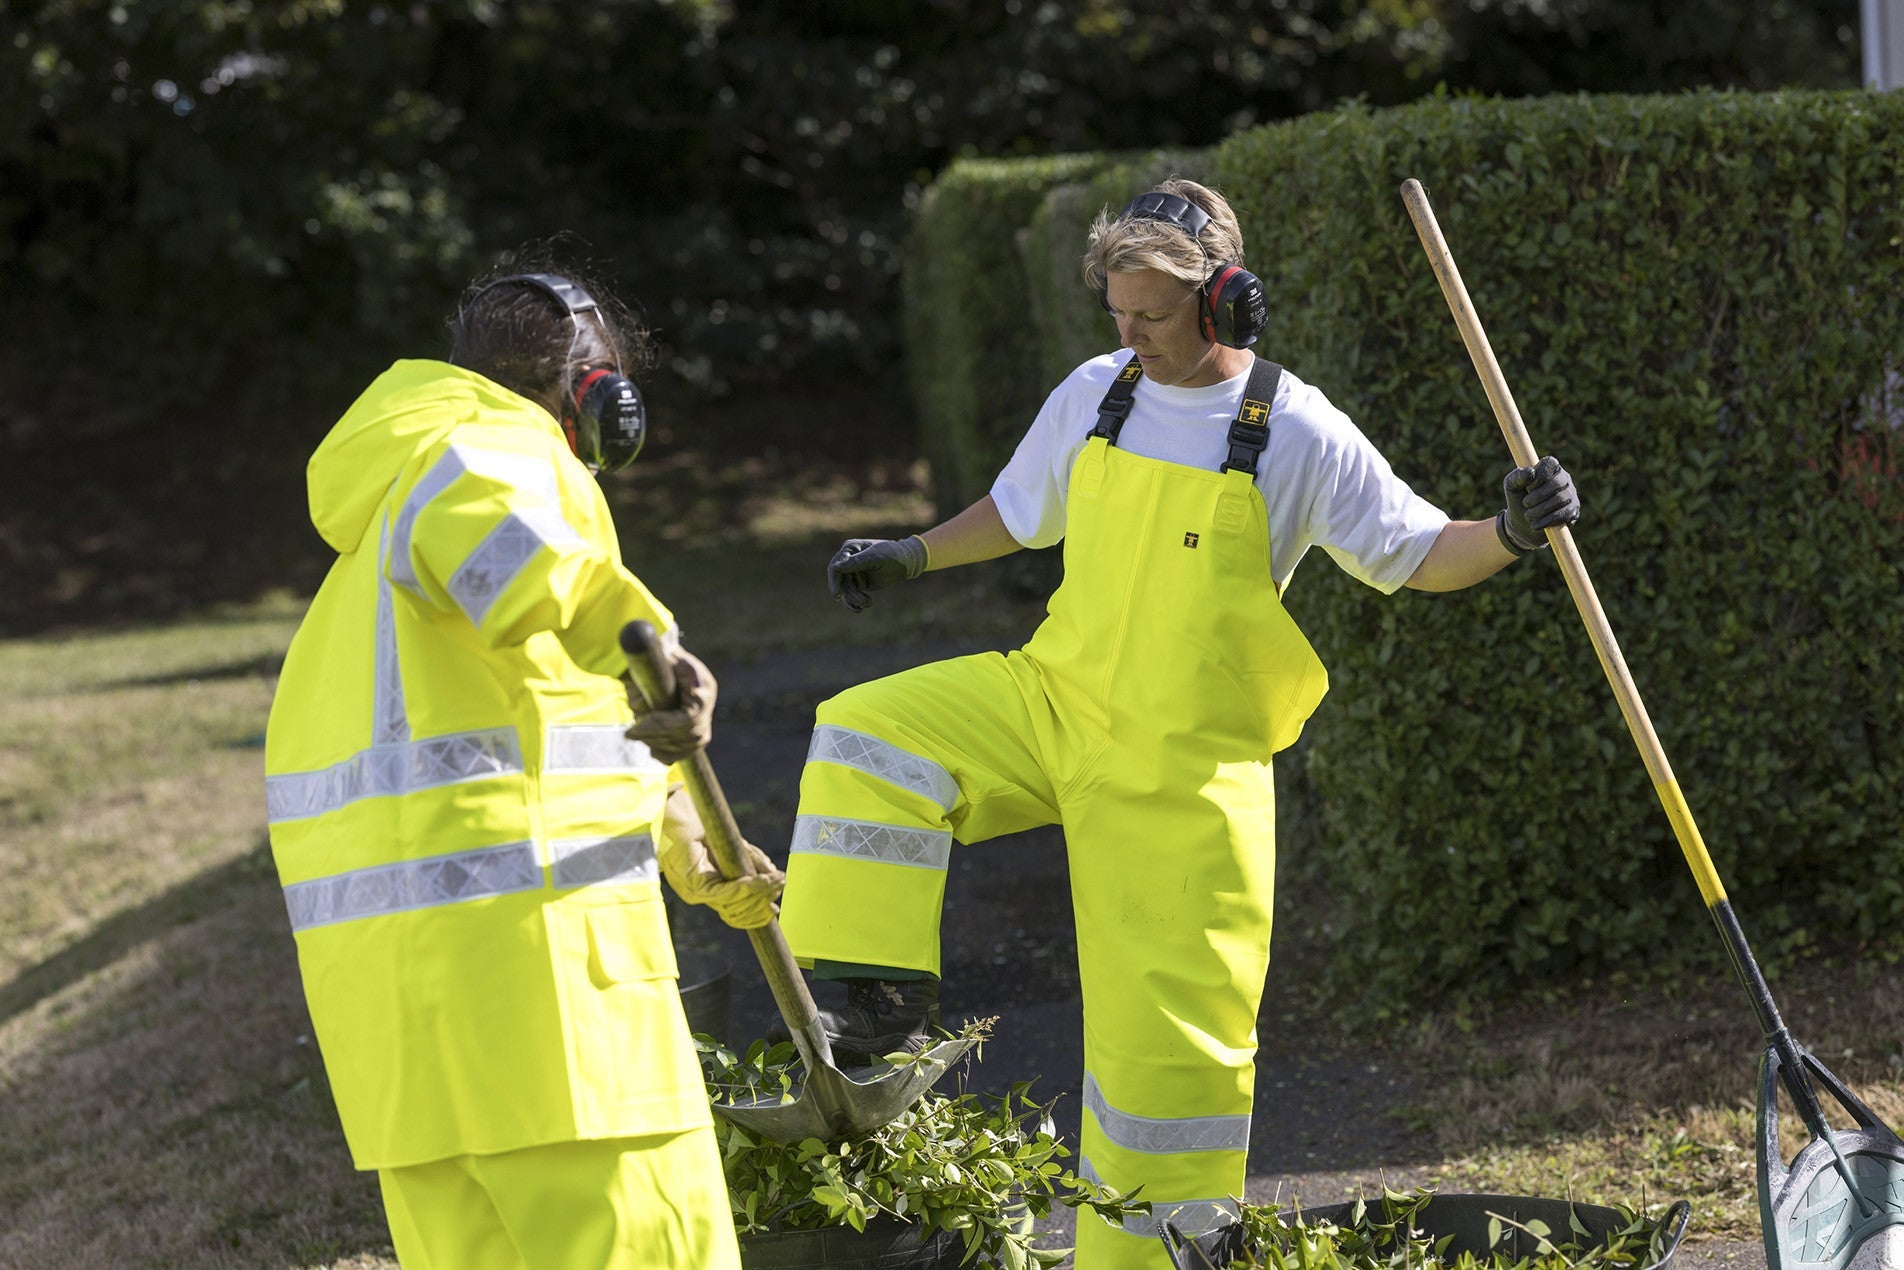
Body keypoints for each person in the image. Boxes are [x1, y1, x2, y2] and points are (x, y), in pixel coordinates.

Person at [776, 180, 1580, 1268]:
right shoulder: (1096, 391)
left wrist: (1512, 532)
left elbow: (1420, 554)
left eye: (1150, 315)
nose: (1130, 336)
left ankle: (1151, 1259)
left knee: (1167, 1079)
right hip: (1049, 701)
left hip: (1184, 782)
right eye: (1117, 313)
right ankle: (865, 1009)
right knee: (868, 736)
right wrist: (911, 554)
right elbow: (1018, 511)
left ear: (1226, 302)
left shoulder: (1295, 429)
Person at [263, 264, 784, 1269]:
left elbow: (539, 715)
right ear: (595, 392)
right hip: (556, 1037)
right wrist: (641, 637)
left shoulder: (380, 529)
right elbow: (516, 567)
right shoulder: (490, 447)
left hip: (412, 1069)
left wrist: (683, 837)